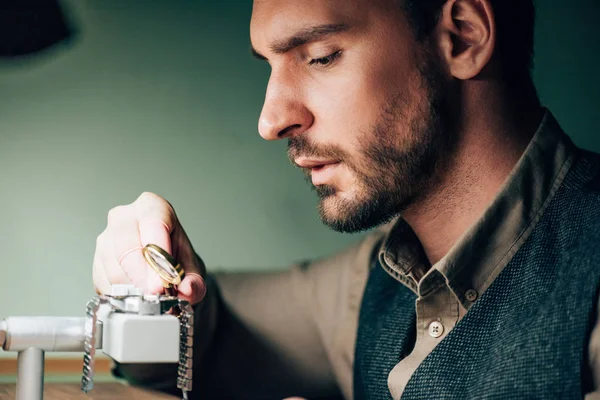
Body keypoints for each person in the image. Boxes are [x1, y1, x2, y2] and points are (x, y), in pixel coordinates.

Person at [92, 0, 600, 398]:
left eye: (320, 57)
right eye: (269, 66)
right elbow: (205, 337)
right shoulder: (372, 282)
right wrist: (143, 282)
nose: (270, 122)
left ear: (462, 35)